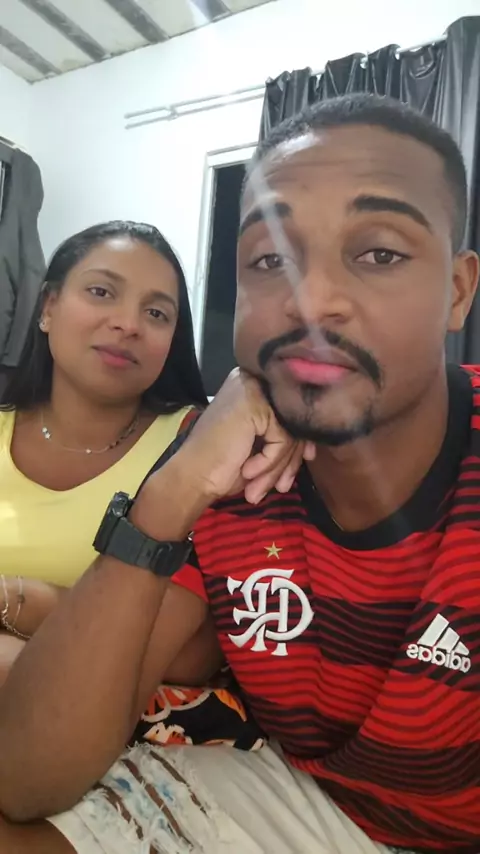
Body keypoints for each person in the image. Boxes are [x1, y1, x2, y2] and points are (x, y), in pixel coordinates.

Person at [0, 93, 479, 854]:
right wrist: (174, 488)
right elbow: (27, 775)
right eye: (269, 260)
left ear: (457, 291)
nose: (310, 302)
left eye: (379, 253)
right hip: (302, 796)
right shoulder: (220, 459)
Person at [0, 220, 209, 684]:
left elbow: (195, 655)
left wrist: (17, 601)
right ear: (48, 306)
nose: (128, 325)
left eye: (156, 314)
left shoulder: (199, 448)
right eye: (101, 292)